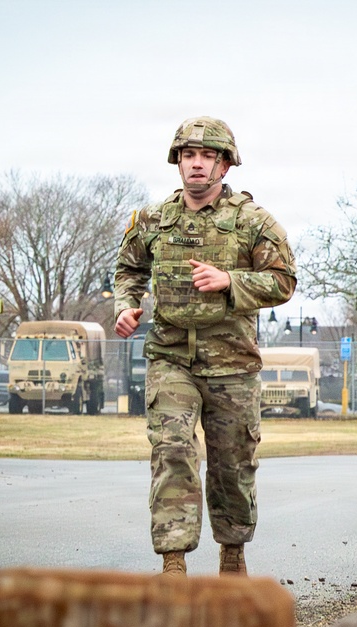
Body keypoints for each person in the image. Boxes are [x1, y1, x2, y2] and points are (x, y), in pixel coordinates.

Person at [113, 117, 296, 577]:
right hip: (171, 356)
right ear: (178, 163)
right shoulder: (153, 220)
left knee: (232, 462)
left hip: (232, 364)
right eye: (188, 156)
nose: (196, 164)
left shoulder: (254, 222)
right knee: (171, 448)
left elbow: (283, 281)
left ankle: (232, 551)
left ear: (225, 164)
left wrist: (230, 281)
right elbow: (128, 269)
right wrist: (126, 306)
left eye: (207, 156)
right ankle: (173, 561)